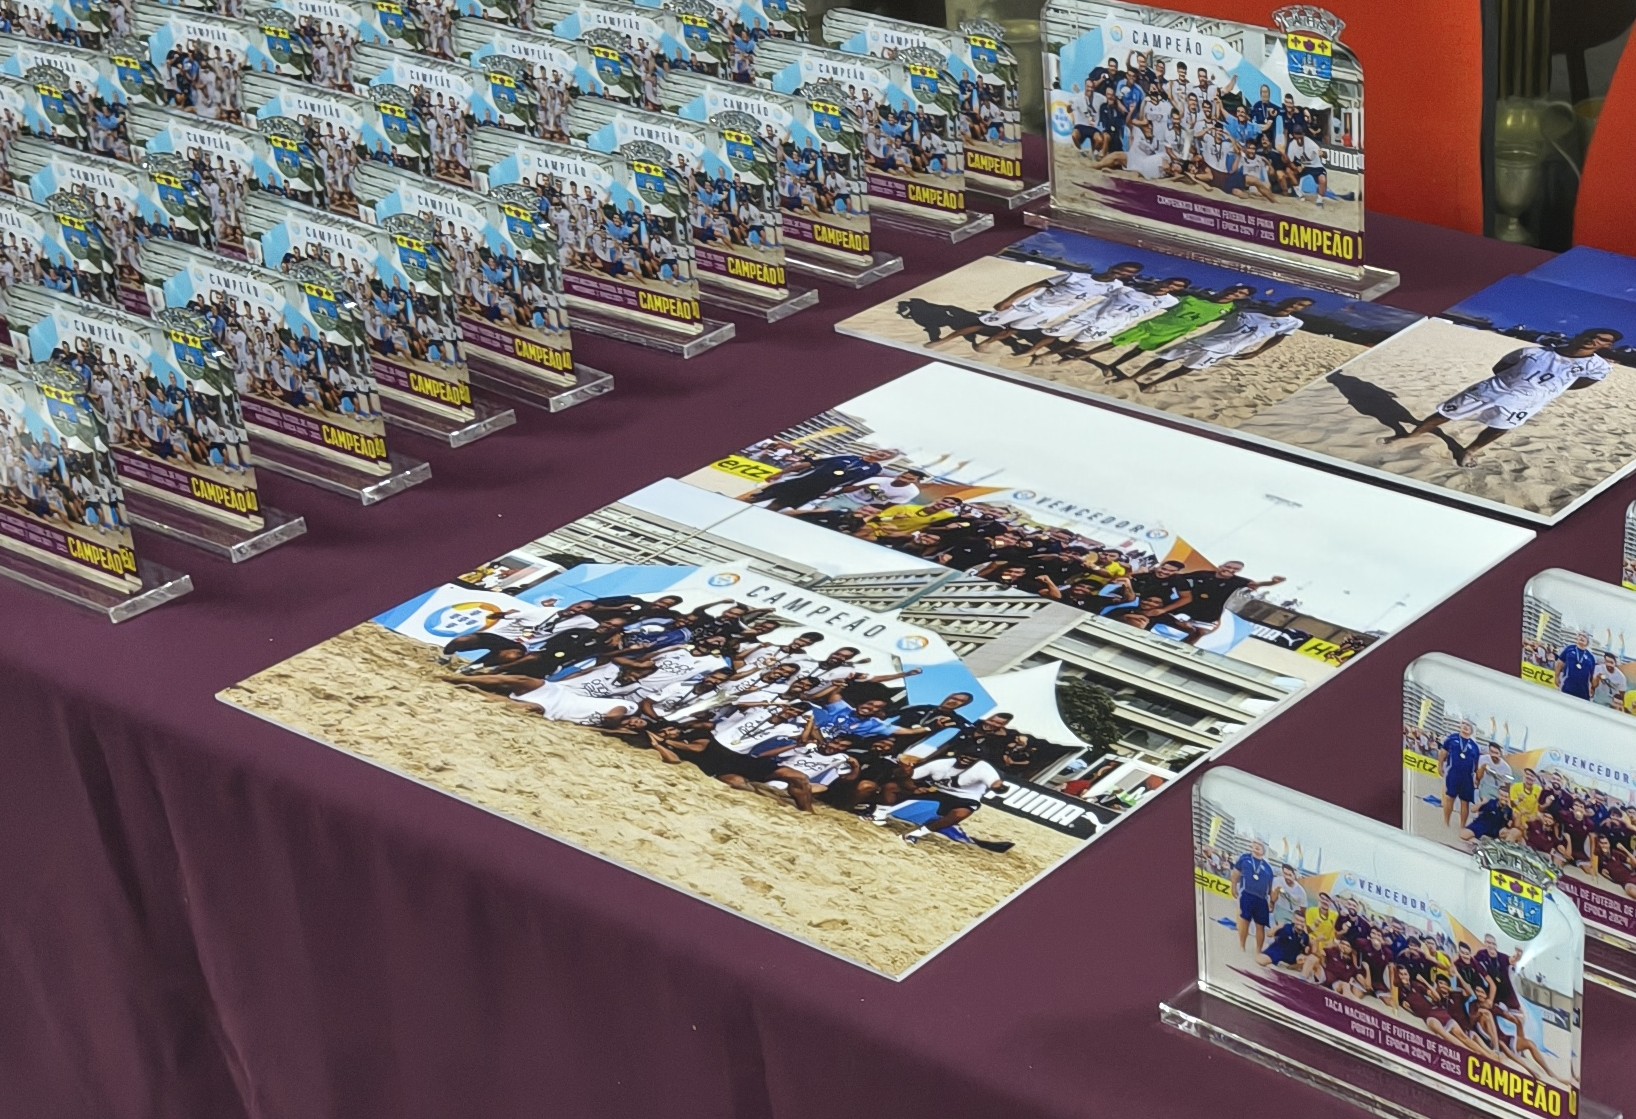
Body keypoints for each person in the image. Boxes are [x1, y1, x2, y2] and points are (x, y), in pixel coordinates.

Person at [1380, 329, 1622, 467]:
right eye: (1592, 334)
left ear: (1607, 347)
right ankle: (1412, 434)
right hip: (1492, 389)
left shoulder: (1598, 366)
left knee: (1499, 428)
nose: (1594, 339)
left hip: (1527, 402)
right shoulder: (1533, 351)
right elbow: (1500, 366)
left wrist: (1548, 389)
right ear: (1581, 334)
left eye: (1603, 340)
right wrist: (1511, 382)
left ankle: (1469, 451)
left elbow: (1583, 383)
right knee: (1446, 412)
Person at [1118, 297, 1315, 393]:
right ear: (1285, 300)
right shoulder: (1248, 309)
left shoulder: (1293, 323)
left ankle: (1150, 384)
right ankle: (1133, 377)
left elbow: (1279, 337)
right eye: (1293, 301)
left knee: (1187, 368)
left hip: (1225, 349)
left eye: (1300, 306)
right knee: (1163, 359)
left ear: (1302, 310)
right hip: (1204, 339)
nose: (1293, 305)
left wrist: (1257, 352)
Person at [1232, 838, 1275, 953]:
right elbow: (1236, 873)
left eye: (1260, 844)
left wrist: (1272, 903)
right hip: (1247, 894)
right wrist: (1233, 886)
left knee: (1260, 925)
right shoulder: (1244, 858)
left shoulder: (1268, 868)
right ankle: (1242, 946)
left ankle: (1258, 950)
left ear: (1264, 850)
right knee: (1245, 920)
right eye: (1255, 843)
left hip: (1262, 899)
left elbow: (1271, 887)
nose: (1257, 846)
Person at [1440, 719, 1483, 829]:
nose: (1465, 726)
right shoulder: (1452, 738)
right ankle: (1446, 822)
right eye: (1464, 724)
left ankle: (1462, 826)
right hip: (1453, 774)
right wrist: (1439, 766)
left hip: (1467, 777)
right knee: (1450, 798)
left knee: (1465, 802)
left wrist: (1477, 779)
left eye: (1468, 725)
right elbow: (1443, 752)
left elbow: (1476, 765)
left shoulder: (1475, 746)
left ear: (1472, 730)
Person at [1555, 631, 1599, 700]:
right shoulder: (1569, 649)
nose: (1581, 637)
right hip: (1567, 687)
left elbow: (1592, 676)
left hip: (1583, 692)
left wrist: (1594, 687)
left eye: (1584, 636)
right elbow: (1560, 663)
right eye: (1580, 635)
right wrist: (1556, 677)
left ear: (1588, 641)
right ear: (1576, 638)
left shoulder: (1591, 657)